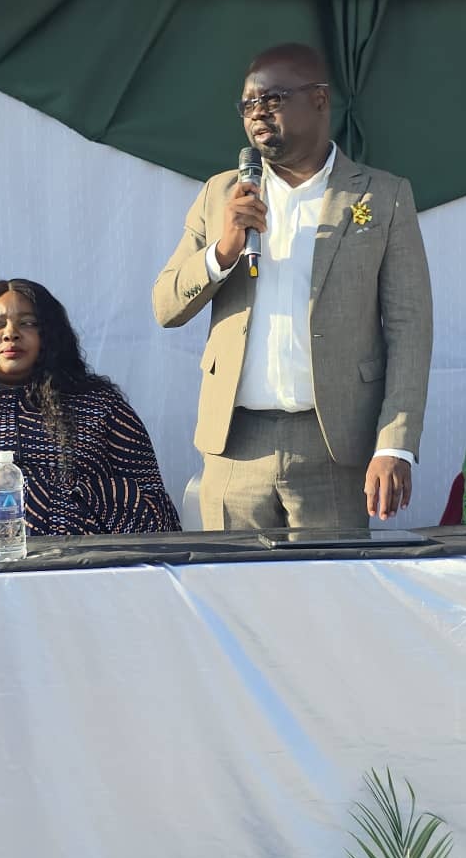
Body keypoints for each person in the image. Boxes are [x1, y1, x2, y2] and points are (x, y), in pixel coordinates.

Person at [153, 42, 433, 531]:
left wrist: (395, 442)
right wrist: (222, 251)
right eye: (248, 104)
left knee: (329, 602)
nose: (257, 114)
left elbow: (410, 327)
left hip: (333, 445)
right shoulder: (221, 193)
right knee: (233, 603)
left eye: (273, 99)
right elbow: (165, 305)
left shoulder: (382, 196)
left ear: (320, 99)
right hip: (235, 446)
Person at [0, 278, 180, 538]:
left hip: (84, 567)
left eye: (28, 323)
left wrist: (74, 502)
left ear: (50, 334)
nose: (10, 333)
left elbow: (154, 509)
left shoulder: (100, 406)